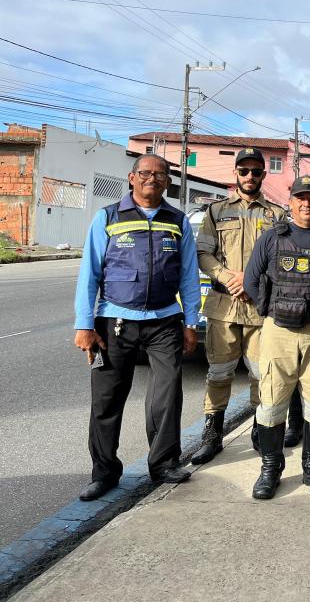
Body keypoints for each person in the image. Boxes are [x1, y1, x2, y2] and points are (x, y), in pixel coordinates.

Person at [73, 154, 200, 500]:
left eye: (160, 175)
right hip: (114, 322)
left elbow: (189, 275)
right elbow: (89, 275)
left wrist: (191, 321)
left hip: (164, 322)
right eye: (145, 173)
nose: (152, 180)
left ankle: (163, 464)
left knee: (166, 396)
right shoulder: (108, 217)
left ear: (168, 182)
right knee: (106, 401)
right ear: (131, 178)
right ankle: (104, 473)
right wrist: (85, 325)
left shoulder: (178, 220)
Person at [243, 175, 310, 499]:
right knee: (272, 404)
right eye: (300, 198)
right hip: (279, 332)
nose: (307, 203)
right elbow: (251, 281)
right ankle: (270, 469)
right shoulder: (273, 238)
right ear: (290, 202)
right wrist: (273, 310)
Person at [191, 148, 286, 465]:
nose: (249, 176)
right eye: (243, 171)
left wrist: (253, 280)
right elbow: (204, 253)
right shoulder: (216, 211)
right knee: (219, 373)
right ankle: (212, 434)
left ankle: (260, 431)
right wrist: (225, 275)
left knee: (262, 375)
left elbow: (282, 258)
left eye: (256, 171)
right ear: (235, 173)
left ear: (263, 175)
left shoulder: (276, 215)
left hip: (260, 307)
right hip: (224, 304)